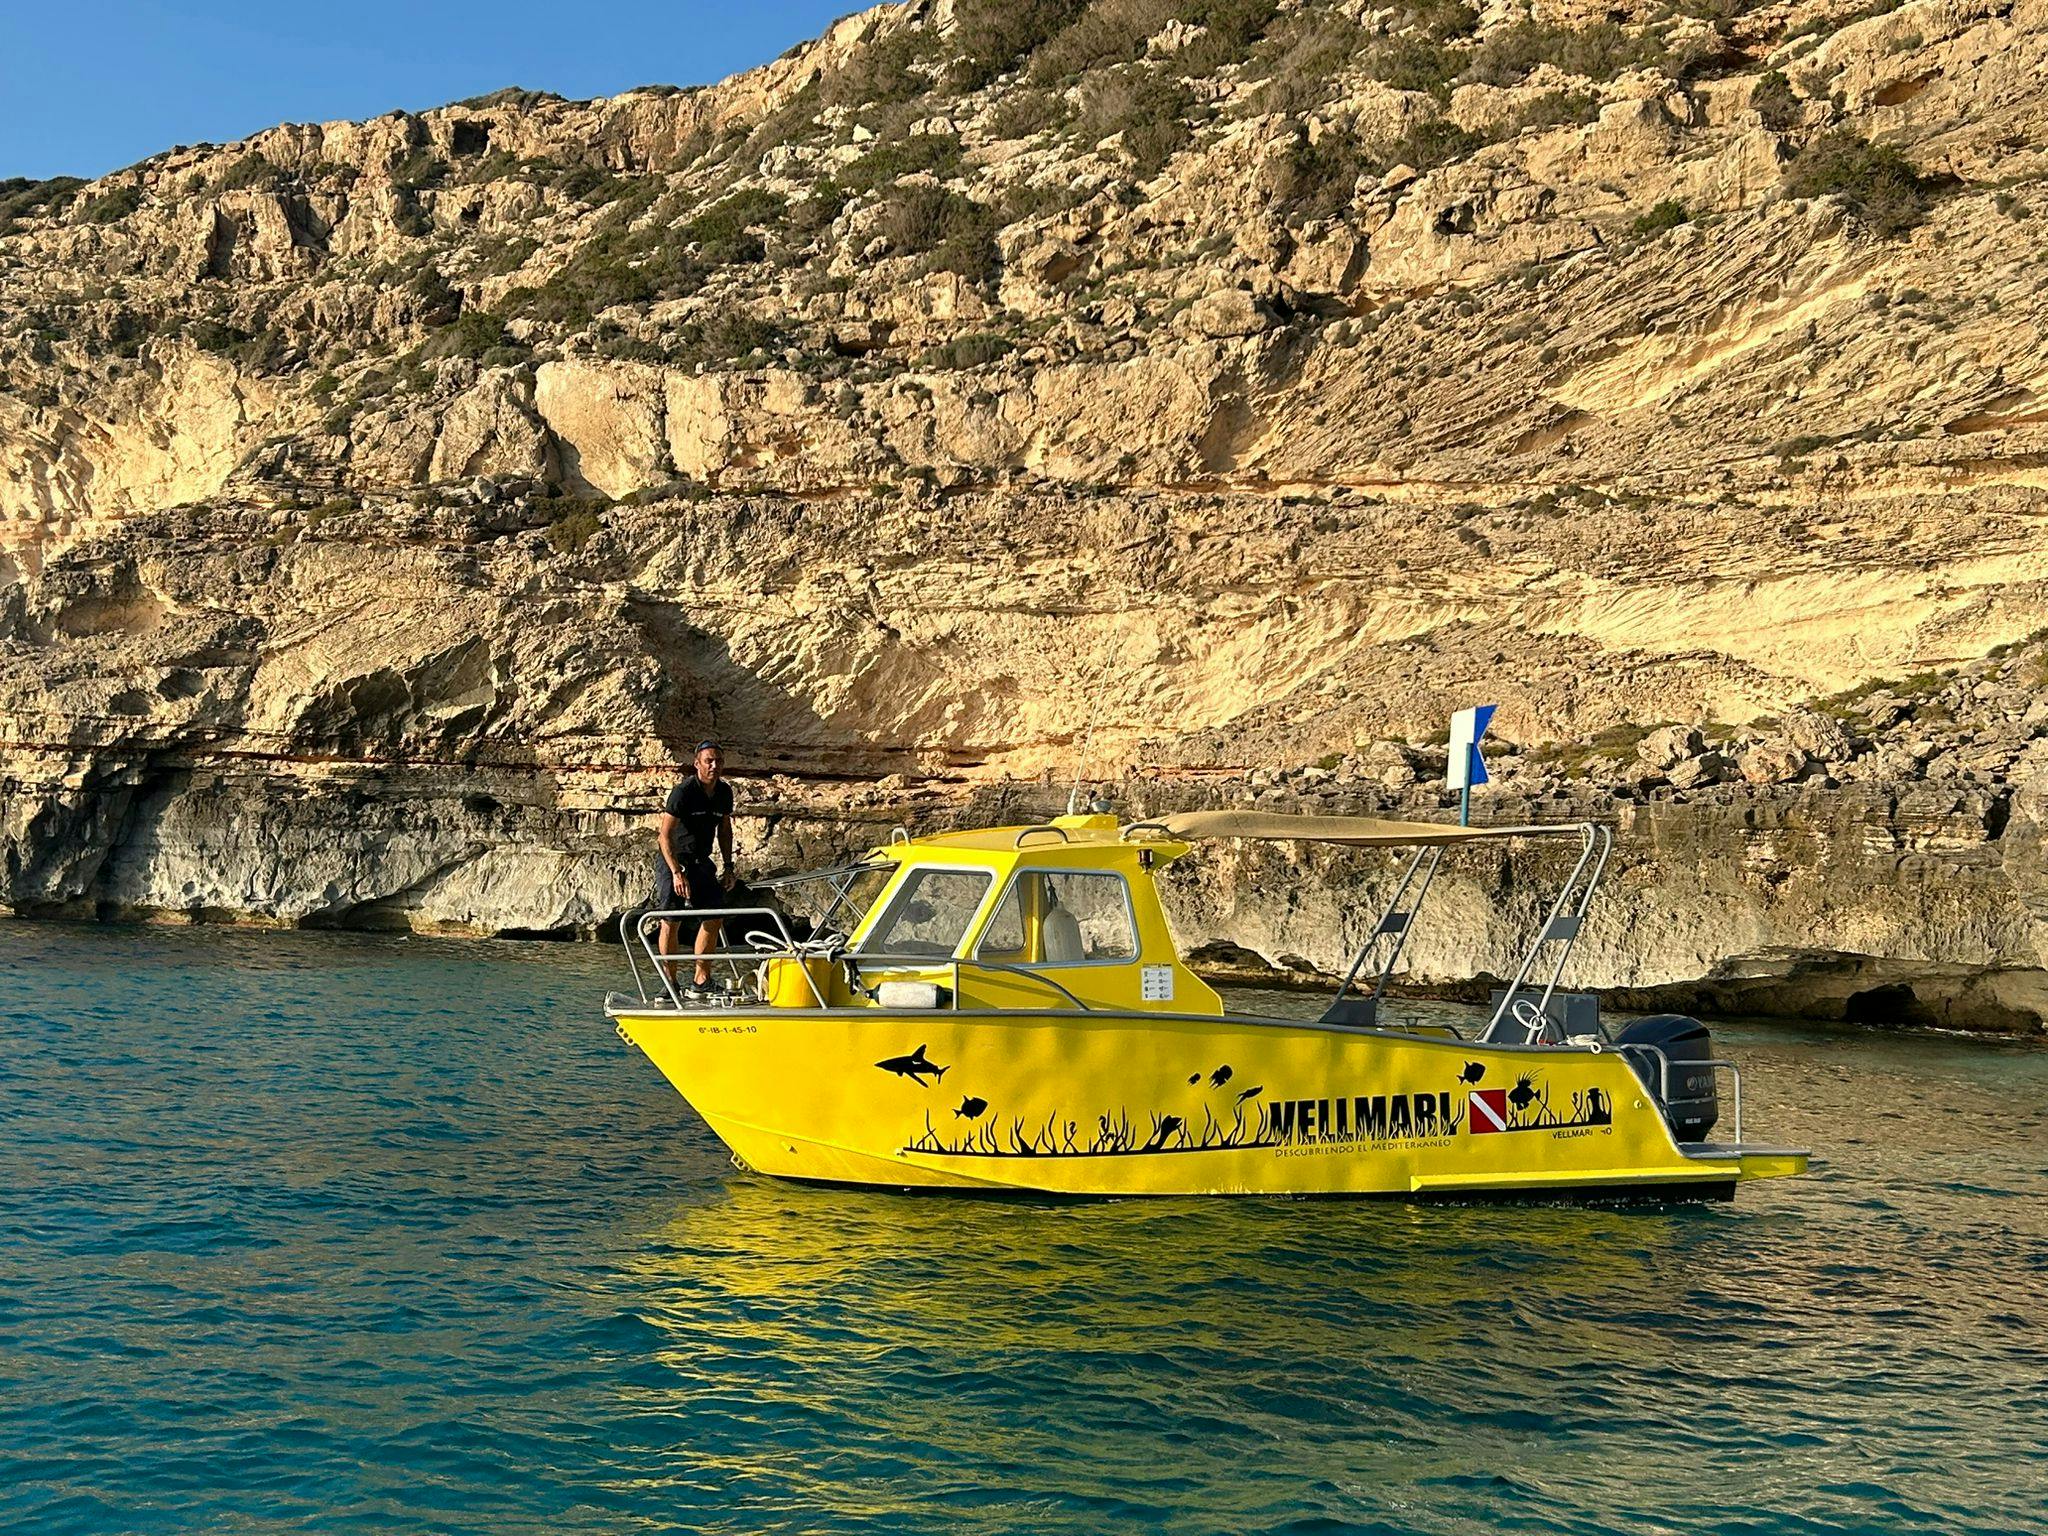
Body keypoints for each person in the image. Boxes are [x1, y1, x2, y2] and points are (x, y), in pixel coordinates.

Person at [654, 741, 736, 994]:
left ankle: (701, 980)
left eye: (718, 761)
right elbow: (664, 836)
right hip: (674, 860)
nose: (714, 766)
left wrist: (728, 867)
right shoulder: (683, 792)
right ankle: (670, 983)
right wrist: (676, 872)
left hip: (701, 861)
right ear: (697, 764)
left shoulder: (724, 792)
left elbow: (725, 830)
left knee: (714, 916)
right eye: (709, 761)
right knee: (671, 919)